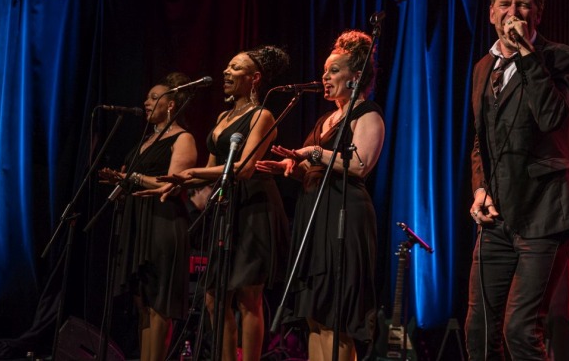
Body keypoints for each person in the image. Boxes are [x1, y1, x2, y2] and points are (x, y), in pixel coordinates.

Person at [138, 46, 291, 361]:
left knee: (248, 297)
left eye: (235, 68)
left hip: (254, 207)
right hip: (227, 208)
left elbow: (244, 168)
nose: (226, 71)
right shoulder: (223, 117)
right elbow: (211, 171)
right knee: (214, 297)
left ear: (254, 78)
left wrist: (192, 173)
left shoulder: (262, 116)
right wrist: (174, 183)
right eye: (227, 66)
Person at [465, 0, 569, 360]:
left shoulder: (561, 59)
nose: (512, 12)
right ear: (491, 13)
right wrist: (480, 190)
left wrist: (527, 55)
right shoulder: (483, 67)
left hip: (545, 214)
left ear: (538, 13)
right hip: (498, 216)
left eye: (523, 5)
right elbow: (481, 140)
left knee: (520, 329)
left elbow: (551, 118)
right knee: (480, 329)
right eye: (504, 4)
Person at [256, 30, 385, 361]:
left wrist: (313, 153)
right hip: (315, 215)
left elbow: (359, 165)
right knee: (313, 317)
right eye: (325, 71)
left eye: (334, 71)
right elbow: (315, 167)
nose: (325, 77)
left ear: (356, 77)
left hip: (345, 216)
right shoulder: (326, 119)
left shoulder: (367, 113)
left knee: (335, 316)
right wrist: (290, 167)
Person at [98, 72, 199, 361]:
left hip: (163, 221)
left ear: (171, 104)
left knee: (159, 304)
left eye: (154, 98)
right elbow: (134, 178)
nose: (146, 102)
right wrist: (119, 180)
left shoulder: (183, 138)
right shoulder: (146, 140)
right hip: (138, 223)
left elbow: (171, 183)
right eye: (147, 97)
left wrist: (132, 177)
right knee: (142, 302)